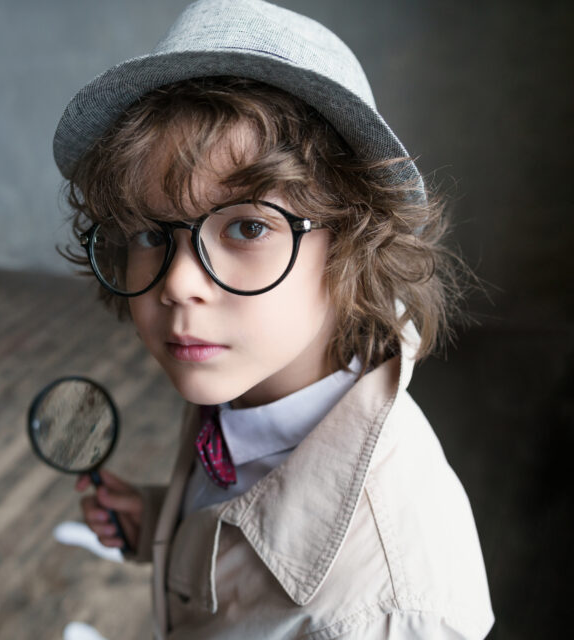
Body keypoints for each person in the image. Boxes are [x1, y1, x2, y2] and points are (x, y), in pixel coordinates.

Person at [54, 0, 494, 637]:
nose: (178, 283)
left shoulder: (389, 611)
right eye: (150, 232)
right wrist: (160, 521)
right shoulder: (247, 374)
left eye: (249, 226)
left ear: (352, 242)